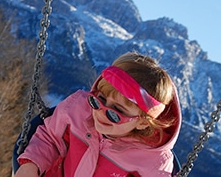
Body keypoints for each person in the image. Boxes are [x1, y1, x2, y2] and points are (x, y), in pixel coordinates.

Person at [14, 52, 182, 177]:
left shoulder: (153, 163)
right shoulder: (76, 111)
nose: (101, 112)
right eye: (98, 99)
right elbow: (50, 138)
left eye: (116, 112)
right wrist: (32, 164)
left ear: (143, 122)